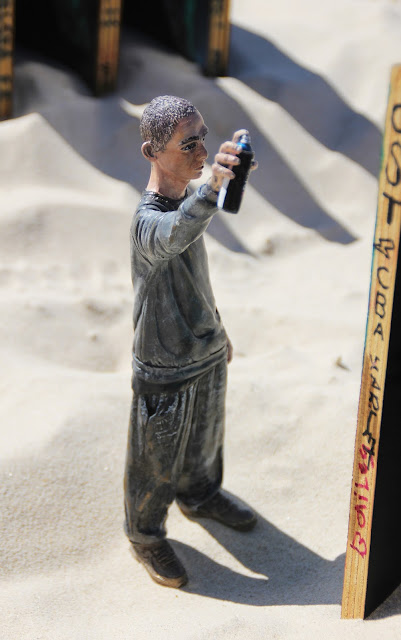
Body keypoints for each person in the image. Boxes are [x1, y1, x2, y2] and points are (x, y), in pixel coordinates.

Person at [124, 95, 257, 588]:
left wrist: (218, 330)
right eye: (188, 144)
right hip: (164, 363)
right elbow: (174, 233)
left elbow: (197, 281)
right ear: (152, 153)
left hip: (205, 350)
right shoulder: (148, 221)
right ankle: (144, 534)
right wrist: (212, 190)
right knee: (155, 459)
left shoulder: (188, 204)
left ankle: (199, 495)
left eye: (202, 138)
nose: (201, 152)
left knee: (205, 440)